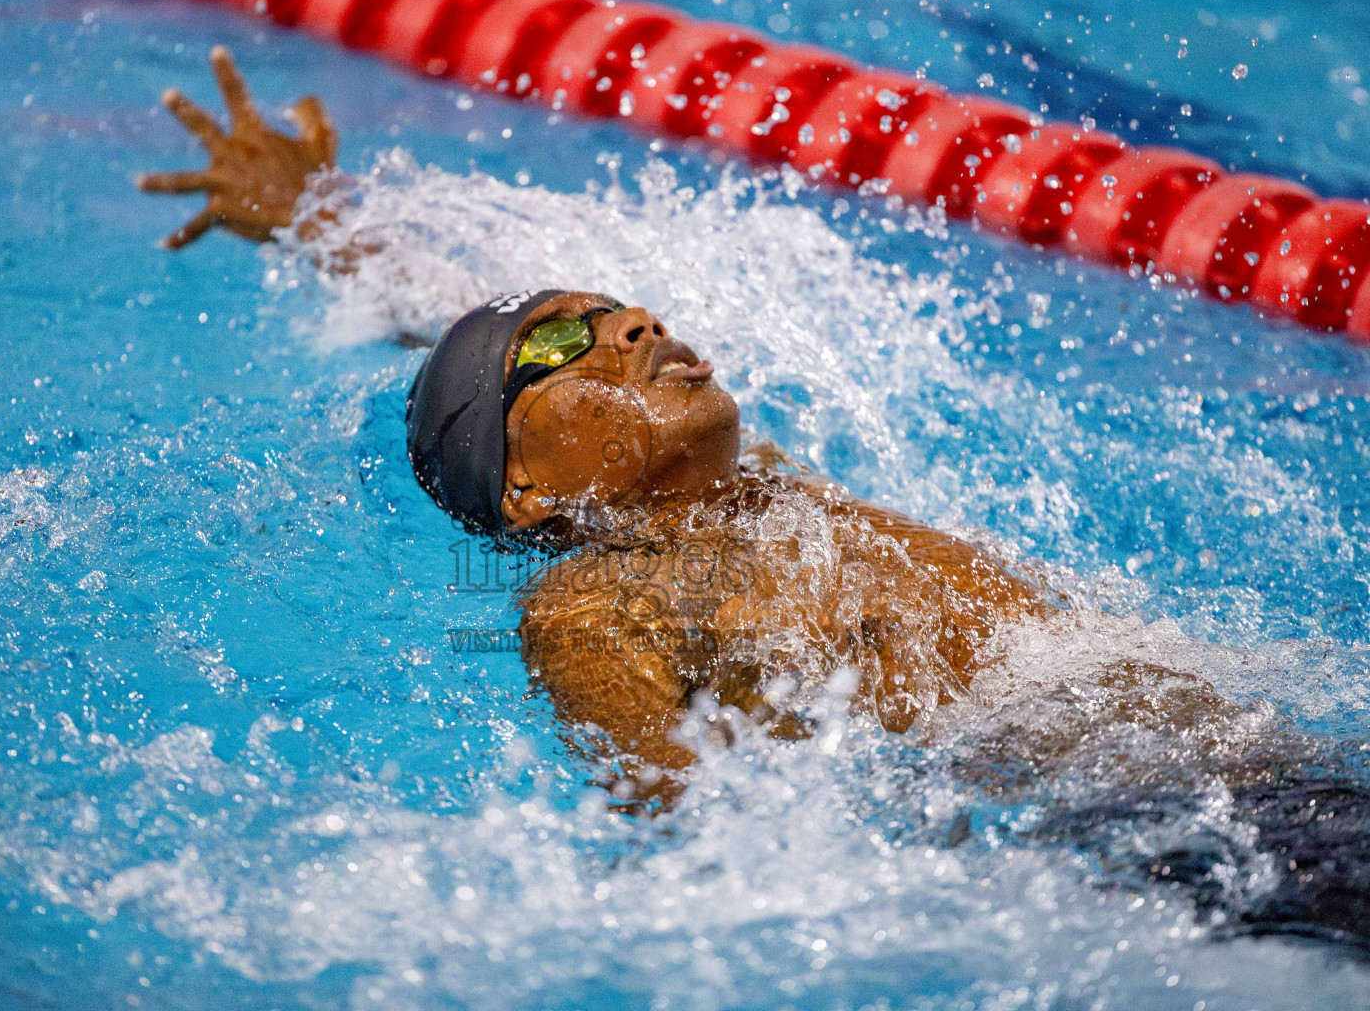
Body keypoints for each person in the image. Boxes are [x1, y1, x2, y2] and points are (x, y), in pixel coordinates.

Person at [139, 50, 1370, 947]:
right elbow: (686, 838)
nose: (630, 322)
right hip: (1167, 851)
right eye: (570, 345)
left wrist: (317, 217)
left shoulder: (764, 492)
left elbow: (441, 320)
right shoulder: (594, 606)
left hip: (1271, 763)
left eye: (619, 309)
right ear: (522, 487)